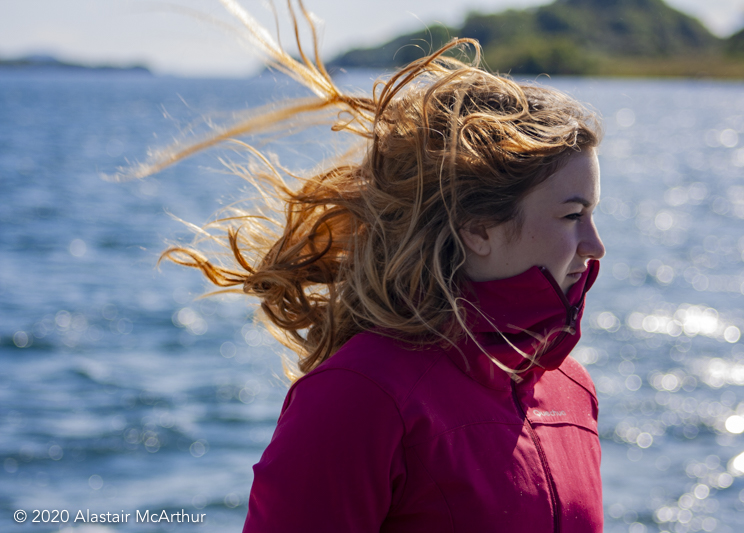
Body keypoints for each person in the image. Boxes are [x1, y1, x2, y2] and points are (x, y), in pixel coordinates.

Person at [138, 1, 605, 531]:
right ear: (476, 227)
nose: (595, 244)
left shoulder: (571, 389)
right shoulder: (359, 395)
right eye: (573, 215)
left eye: (592, 213)